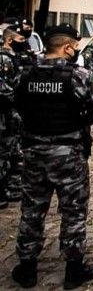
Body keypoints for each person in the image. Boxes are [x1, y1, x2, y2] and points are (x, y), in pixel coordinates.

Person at [11, 24, 93, 289]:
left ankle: (27, 267)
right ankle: (74, 269)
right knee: (73, 211)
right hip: (68, 154)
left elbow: (16, 106)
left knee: (31, 210)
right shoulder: (80, 76)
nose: (76, 50)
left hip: (33, 153)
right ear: (67, 47)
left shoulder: (25, 74)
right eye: (75, 45)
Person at [0, 23, 26, 208]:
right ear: (9, 40)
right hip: (5, 113)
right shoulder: (3, 59)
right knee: (3, 151)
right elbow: (5, 90)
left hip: (15, 114)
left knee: (13, 150)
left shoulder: (16, 58)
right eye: (21, 39)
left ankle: (12, 186)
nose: (24, 42)